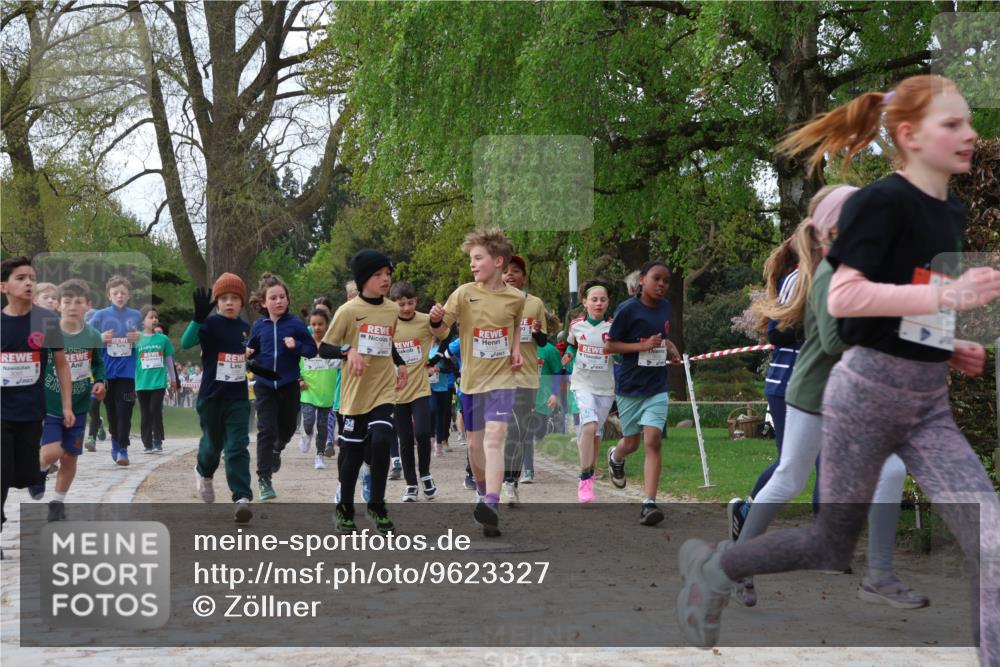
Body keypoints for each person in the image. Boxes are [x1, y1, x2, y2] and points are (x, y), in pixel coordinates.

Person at [676, 75, 1000, 664]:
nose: (971, 134)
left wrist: (951, 346)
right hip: (856, 393)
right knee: (825, 539)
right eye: (953, 124)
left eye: (969, 122)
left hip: (926, 403)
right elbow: (848, 310)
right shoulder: (878, 207)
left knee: (990, 536)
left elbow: (912, 304)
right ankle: (719, 569)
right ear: (910, 136)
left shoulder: (949, 211)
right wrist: (947, 298)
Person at [730, 190, 927, 610]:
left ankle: (879, 575)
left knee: (891, 469)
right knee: (790, 478)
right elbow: (836, 341)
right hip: (814, 392)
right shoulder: (827, 275)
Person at [430, 228, 524, 537]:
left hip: (502, 380)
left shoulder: (516, 298)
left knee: (495, 439)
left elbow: (515, 327)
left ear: (498, 261)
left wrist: (516, 350)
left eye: (478, 258)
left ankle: (493, 503)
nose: (472, 264)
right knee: (474, 445)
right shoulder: (463, 293)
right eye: (471, 259)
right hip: (471, 381)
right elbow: (442, 332)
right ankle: (483, 493)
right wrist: (436, 319)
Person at [321, 249, 408, 535]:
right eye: (378, 274)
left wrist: (400, 364)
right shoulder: (348, 311)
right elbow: (325, 348)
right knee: (353, 454)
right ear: (363, 279)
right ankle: (344, 510)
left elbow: (387, 342)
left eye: (388, 274)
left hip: (383, 389)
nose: (385, 279)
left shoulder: (392, 310)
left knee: (382, 441)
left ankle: (377, 506)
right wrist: (348, 350)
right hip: (355, 394)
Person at [1, 257, 72, 546]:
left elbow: (62, 365)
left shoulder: (46, 320)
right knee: (1, 472)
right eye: (20, 278)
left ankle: (31, 477)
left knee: (24, 475)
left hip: (31, 411)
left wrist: (66, 405)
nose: (29, 283)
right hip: (1, 411)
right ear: (3, 286)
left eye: (32, 277)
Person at [604, 261, 680, 525]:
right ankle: (616, 457)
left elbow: (660, 336)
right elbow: (610, 346)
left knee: (653, 440)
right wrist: (642, 346)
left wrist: (669, 346)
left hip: (656, 386)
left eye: (666, 281)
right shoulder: (627, 309)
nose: (662, 284)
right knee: (632, 443)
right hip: (630, 387)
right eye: (656, 278)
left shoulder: (666, 307)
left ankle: (649, 503)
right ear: (642, 280)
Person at [183, 273, 256, 523]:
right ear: (217, 302)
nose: (229, 302)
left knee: (237, 446)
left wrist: (254, 361)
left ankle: (241, 497)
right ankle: (204, 472)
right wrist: (198, 318)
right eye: (223, 298)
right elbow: (186, 342)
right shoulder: (211, 324)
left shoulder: (246, 329)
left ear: (242, 302)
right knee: (212, 447)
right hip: (211, 398)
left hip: (238, 399)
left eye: (234, 298)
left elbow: (247, 357)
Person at [34, 280, 106, 520]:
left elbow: (98, 364)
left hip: (79, 404)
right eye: (67, 301)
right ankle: (40, 470)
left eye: (78, 302)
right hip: (50, 403)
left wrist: (100, 381)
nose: (73, 306)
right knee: (51, 452)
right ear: (58, 305)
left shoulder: (93, 335)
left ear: (88, 305)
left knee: (70, 456)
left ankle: (57, 503)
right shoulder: (48, 334)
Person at [246, 273, 317, 500]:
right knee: (266, 430)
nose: (278, 301)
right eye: (273, 298)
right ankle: (264, 479)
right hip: (265, 385)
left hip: (288, 385)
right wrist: (249, 352)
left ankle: (277, 449)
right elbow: (252, 349)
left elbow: (312, 350)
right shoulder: (258, 326)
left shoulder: (296, 324)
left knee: (287, 428)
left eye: (282, 297)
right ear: (263, 302)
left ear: (288, 299)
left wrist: (297, 345)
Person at [390, 281, 447, 501]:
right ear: (393, 304)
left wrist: (434, 359)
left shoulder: (425, 320)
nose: (406, 308)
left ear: (416, 301)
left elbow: (446, 335)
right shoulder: (389, 323)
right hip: (396, 392)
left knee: (422, 432)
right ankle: (411, 484)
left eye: (410, 303)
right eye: (401, 304)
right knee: (404, 439)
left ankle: (425, 474)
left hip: (420, 388)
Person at [562, 279, 616, 503]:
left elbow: (620, 348)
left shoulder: (614, 326)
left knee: (595, 433)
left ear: (608, 303)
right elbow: (572, 344)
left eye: (603, 299)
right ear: (585, 302)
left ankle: (590, 472)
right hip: (582, 383)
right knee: (589, 426)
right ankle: (584, 479)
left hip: (605, 388)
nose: (598, 303)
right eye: (594, 299)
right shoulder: (576, 325)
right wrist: (568, 355)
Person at [502, 255, 549, 502]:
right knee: (504, 429)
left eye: (516, 271)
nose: (510, 274)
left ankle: (511, 481)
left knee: (518, 431)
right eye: (505, 271)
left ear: (524, 277)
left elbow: (543, 341)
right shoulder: (493, 303)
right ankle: (498, 478)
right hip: (498, 375)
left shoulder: (535, 303)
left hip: (526, 375)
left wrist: (537, 332)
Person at [89, 275, 142, 465]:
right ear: (109, 295)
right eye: (115, 293)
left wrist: (139, 336)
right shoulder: (100, 315)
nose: (119, 296)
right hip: (107, 372)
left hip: (127, 371)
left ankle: (123, 449)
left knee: (125, 410)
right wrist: (100, 337)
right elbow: (87, 336)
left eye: (123, 293)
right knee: (112, 411)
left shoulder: (136, 315)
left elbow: (145, 336)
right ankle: (115, 440)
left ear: (129, 295)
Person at [299, 308, 338, 470]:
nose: (317, 327)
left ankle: (319, 455)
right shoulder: (304, 343)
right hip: (308, 390)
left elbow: (340, 362)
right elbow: (294, 363)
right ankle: (307, 433)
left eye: (320, 324)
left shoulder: (333, 344)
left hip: (326, 392)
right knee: (308, 420)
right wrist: (299, 379)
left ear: (327, 324)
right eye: (313, 324)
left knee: (322, 427)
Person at [135, 306, 176, 453]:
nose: (154, 320)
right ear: (143, 320)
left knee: (155, 410)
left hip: (158, 383)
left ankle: (157, 439)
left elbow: (169, 360)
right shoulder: (136, 339)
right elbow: (131, 362)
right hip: (141, 383)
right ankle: (147, 444)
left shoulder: (163, 339)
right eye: (151, 317)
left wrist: (173, 379)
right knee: (145, 413)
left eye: (156, 317)